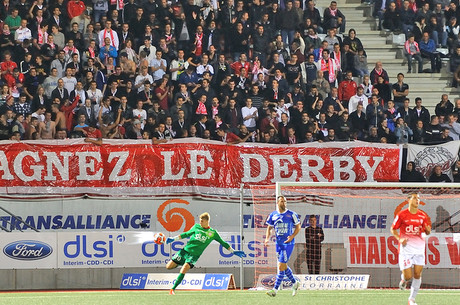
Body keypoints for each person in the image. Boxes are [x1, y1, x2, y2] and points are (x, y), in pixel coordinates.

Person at [165, 212, 246, 295]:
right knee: (168, 266)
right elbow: (186, 234)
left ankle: (172, 289)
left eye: (202, 221)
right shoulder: (196, 227)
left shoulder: (213, 233)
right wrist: (174, 239)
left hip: (194, 256)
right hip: (184, 251)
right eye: (200, 221)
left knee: (185, 267)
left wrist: (233, 251)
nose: (200, 222)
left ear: (207, 221)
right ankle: (181, 262)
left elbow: (223, 243)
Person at [391, 193, 431, 305]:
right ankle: (404, 279)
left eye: (418, 199)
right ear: (408, 200)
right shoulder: (402, 214)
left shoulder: (423, 215)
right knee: (408, 276)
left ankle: (412, 299)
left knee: (418, 274)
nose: (417, 200)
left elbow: (426, 230)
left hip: (419, 249)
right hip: (406, 249)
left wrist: (427, 230)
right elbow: (393, 229)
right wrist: (399, 239)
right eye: (415, 198)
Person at [264, 195, 301, 297]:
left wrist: (292, 236)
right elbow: (269, 228)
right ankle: (295, 282)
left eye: (285, 201)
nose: (284, 203)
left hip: (288, 244)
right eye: (282, 201)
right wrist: (267, 238)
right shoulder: (273, 215)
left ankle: (274, 290)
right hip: (278, 244)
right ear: (277, 203)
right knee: (283, 266)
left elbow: (298, 226)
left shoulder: (291, 214)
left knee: (281, 266)